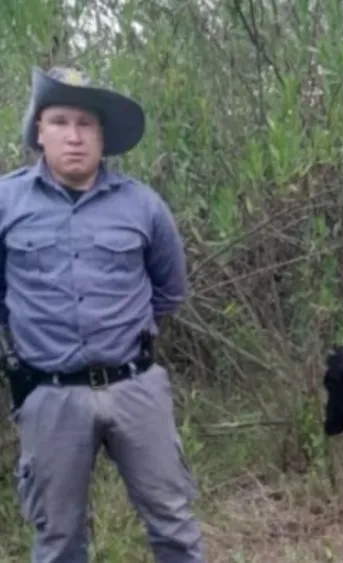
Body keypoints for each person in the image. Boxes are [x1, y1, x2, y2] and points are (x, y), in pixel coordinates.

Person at [0, 66, 205, 562]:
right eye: (60, 122)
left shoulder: (143, 205)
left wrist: (122, 339)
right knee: (58, 540)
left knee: (174, 526)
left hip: (137, 389)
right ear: (39, 131)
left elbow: (170, 291)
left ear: (102, 136)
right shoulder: (6, 203)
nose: (74, 136)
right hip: (49, 397)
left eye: (85, 124)